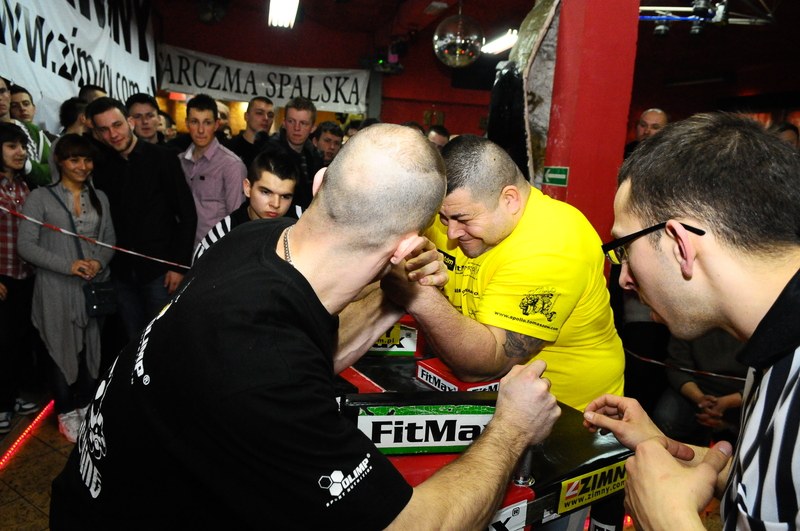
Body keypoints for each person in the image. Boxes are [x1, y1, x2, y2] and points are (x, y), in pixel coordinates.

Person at [49, 123, 561, 529]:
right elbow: (411, 525)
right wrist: (512, 430)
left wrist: (395, 294)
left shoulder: (254, 240)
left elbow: (308, 352)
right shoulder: (262, 372)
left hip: (93, 497)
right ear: (405, 246)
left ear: (318, 183)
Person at [583, 112, 800, 530]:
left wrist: (667, 520)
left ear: (680, 245)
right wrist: (662, 446)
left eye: (625, 247)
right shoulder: (772, 342)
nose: (624, 278)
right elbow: (772, 489)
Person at [382, 135, 624, 412]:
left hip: (572, 414)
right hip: (493, 403)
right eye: (443, 218)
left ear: (510, 200)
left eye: (463, 219)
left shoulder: (554, 242)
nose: (452, 233)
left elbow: (484, 366)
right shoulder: (453, 212)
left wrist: (418, 293)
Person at [17, 134, 115, 443]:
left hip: (92, 288)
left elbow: (109, 239)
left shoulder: (99, 196)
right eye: (74, 159)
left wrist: (97, 262)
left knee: (91, 348)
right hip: (55, 288)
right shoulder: (40, 198)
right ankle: (65, 410)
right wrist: (68, 265)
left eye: (87, 159)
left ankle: (85, 403)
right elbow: (26, 246)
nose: (82, 166)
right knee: (57, 347)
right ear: (59, 161)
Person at [85, 96, 196, 343]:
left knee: (162, 341)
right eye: (104, 129)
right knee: (133, 341)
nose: (113, 134)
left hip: (160, 272)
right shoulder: (102, 167)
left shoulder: (163, 158)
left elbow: (187, 215)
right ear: (97, 134)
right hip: (121, 272)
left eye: (117, 125)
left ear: (130, 122)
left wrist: (178, 266)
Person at [192, 143, 297, 264]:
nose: (276, 204)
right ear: (247, 188)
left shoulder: (303, 221)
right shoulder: (223, 235)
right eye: (266, 192)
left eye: (285, 196)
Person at [0, 122, 39, 435]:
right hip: (2, 277)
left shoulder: (25, 186)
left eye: (23, 146)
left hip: (26, 275)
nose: (20, 152)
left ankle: (11, 397)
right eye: (12, 146)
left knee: (17, 341)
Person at [652, 329, 747, 447]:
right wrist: (700, 399)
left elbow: (763, 381)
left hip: (744, 393)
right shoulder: (688, 322)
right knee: (666, 417)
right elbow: (677, 368)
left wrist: (729, 402)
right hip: (696, 389)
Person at [179, 93, 246, 248]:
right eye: (195, 122)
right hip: (183, 249)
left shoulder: (232, 165)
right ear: (187, 123)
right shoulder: (179, 162)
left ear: (216, 125)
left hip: (215, 251)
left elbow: (237, 220)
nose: (201, 130)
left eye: (207, 122)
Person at [269, 96, 322, 213]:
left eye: (303, 123)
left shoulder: (314, 155)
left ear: (313, 128)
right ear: (284, 123)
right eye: (291, 121)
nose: (296, 128)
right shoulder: (271, 153)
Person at [0, 77, 51, 187]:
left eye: (2, 91)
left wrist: (28, 167)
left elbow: (54, 170)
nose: (0, 98)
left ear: (9, 94)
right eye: (12, 146)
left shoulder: (32, 130)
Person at [225, 96, 275, 169]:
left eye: (270, 115)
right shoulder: (228, 149)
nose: (266, 118)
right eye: (259, 113)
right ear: (246, 116)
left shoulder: (276, 151)